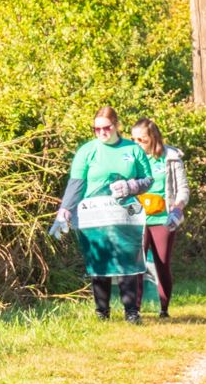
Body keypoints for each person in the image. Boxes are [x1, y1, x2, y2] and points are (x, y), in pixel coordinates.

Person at [51, 107, 153, 323]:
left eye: (106, 128)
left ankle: (132, 313)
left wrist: (131, 185)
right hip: (95, 215)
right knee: (100, 263)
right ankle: (102, 313)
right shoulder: (87, 151)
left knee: (127, 262)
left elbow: (148, 179)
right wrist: (64, 211)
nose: (101, 133)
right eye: (96, 129)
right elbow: (76, 185)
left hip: (125, 215)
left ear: (116, 126)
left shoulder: (133, 150)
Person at [130, 118, 189, 318]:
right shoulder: (131, 158)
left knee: (161, 262)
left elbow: (183, 190)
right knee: (136, 263)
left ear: (153, 138)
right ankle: (133, 310)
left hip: (163, 218)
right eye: (134, 139)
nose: (137, 143)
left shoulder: (170, 158)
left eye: (142, 140)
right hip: (137, 217)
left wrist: (177, 209)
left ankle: (163, 308)